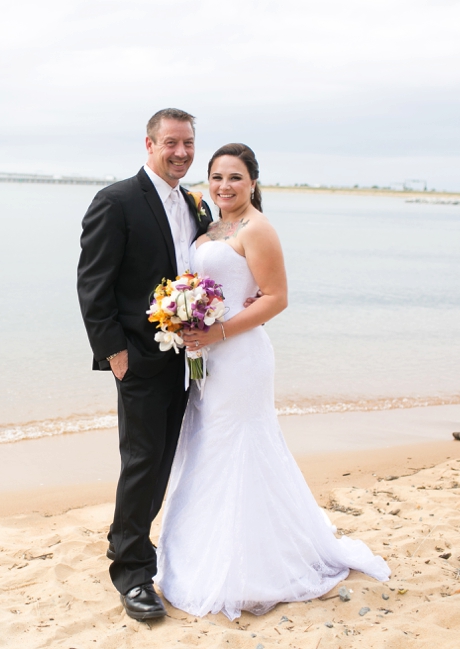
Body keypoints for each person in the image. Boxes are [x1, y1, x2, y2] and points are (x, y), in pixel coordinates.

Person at [155, 143, 390, 620]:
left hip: (240, 357)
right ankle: (197, 553)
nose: (224, 186)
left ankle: (252, 567)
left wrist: (215, 330)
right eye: (217, 176)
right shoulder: (214, 224)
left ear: (253, 183)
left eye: (235, 178)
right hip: (207, 356)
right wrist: (186, 319)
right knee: (206, 447)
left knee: (239, 446)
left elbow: (276, 298)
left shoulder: (258, 228)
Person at [77, 108, 213, 620]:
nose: (181, 152)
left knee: (164, 463)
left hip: (187, 361)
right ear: (150, 144)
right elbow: (93, 282)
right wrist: (114, 354)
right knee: (141, 463)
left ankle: (137, 546)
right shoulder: (116, 201)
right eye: (171, 143)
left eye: (189, 144)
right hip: (137, 359)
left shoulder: (193, 205)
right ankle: (132, 572)